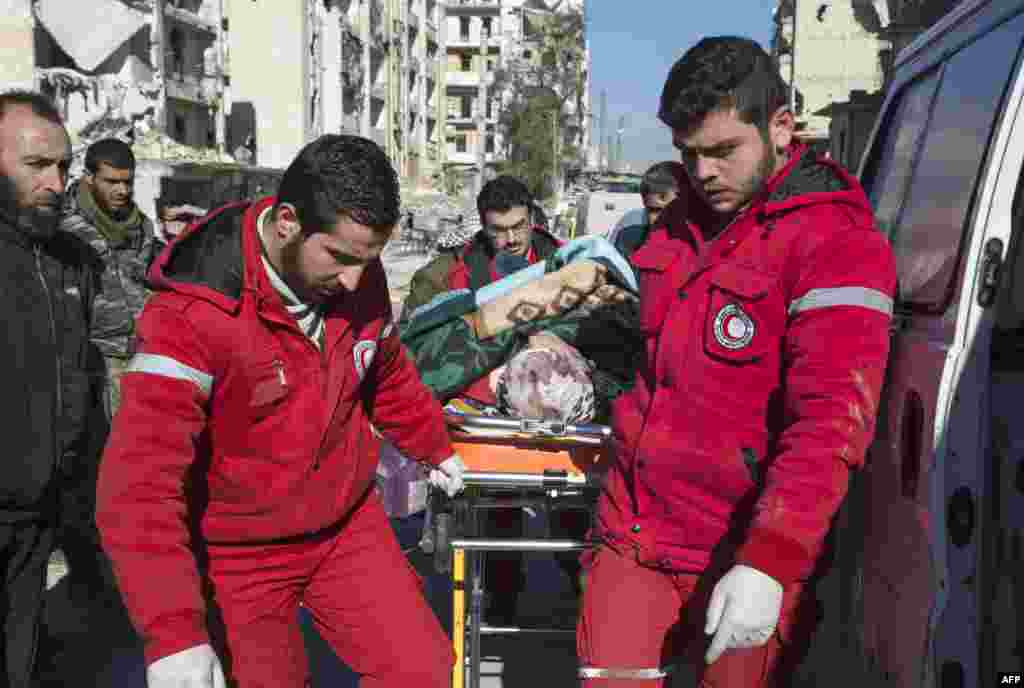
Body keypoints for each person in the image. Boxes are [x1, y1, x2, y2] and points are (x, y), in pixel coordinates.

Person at [576, 36, 897, 687]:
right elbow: (640, 351)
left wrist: (770, 563)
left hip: (742, 552)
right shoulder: (675, 225)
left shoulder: (837, 244)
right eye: (689, 155)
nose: (703, 172)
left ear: (780, 127)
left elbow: (830, 424)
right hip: (633, 537)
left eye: (723, 151)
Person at [95, 134, 467, 688]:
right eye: (340, 258)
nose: (356, 282)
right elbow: (139, 486)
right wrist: (174, 637)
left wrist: (433, 447)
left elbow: (384, 371)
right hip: (239, 555)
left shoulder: (355, 274)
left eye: (369, 261)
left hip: (344, 527)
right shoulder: (192, 315)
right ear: (288, 222)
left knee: (422, 671)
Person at [399, 175, 571, 627]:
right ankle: (494, 607)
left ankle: (583, 603)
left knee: (573, 526)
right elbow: (415, 351)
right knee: (489, 524)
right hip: (480, 424)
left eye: (518, 226)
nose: (510, 238)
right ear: (482, 226)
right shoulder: (446, 275)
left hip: (555, 422)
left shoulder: (566, 264)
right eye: (499, 230)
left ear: (533, 219)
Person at [0, 90, 98, 688]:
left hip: (39, 518)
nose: (56, 182)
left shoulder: (72, 260)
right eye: (37, 165)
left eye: (63, 166)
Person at [58, 137, 161, 609]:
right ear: (88, 179)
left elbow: (152, 275)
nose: (121, 191)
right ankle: (89, 568)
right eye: (111, 182)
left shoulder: (140, 227)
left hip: (138, 356)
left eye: (127, 182)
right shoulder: (64, 227)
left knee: (138, 466)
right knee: (93, 465)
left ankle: (129, 561)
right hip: (91, 360)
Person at [607, 160, 688, 257]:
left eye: (670, 210)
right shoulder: (628, 238)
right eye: (652, 210)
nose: (656, 219)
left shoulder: (703, 247)